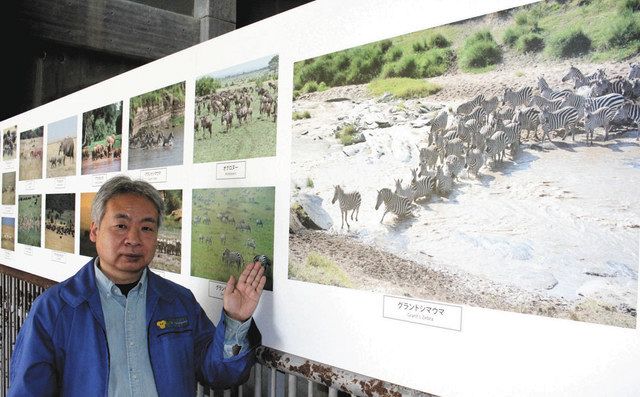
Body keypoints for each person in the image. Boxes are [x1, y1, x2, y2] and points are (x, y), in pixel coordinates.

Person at [9, 175, 267, 396]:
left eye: (146, 228)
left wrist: (235, 319)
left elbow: (218, 374)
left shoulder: (178, 302)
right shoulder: (55, 309)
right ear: (95, 231)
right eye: (121, 226)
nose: (133, 239)